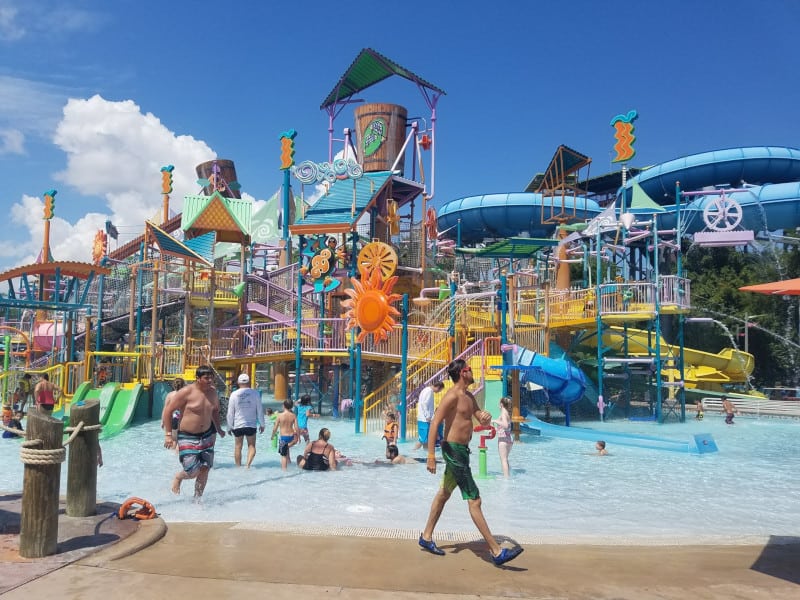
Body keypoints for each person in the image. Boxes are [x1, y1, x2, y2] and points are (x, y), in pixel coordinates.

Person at [420, 359, 524, 566]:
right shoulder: (452, 396)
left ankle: (426, 536)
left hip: (463, 451)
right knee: (474, 500)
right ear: (461, 374)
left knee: (444, 494)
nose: (471, 371)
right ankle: (496, 551)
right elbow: (435, 423)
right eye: (468, 369)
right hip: (454, 451)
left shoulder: (468, 396)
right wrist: (431, 455)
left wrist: (484, 417)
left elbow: (477, 415)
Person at [161, 365, 225, 498]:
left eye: (211, 378)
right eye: (206, 378)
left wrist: (218, 429)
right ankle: (179, 477)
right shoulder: (186, 392)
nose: (210, 381)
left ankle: (197, 500)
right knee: (193, 471)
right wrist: (168, 435)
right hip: (187, 436)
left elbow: (214, 411)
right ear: (197, 378)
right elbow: (168, 410)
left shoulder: (212, 392)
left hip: (206, 435)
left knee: (205, 468)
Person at [226, 373, 265, 468]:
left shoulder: (234, 394)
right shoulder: (255, 393)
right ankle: (247, 465)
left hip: (238, 425)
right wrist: (262, 424)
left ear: (238, 383)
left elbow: (230, 412)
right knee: (251, 446)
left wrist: (229, 426)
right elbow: (259, 409)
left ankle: (238, 468)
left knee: (238, 446)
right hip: (251, 424)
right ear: (249, 382)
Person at [414, 381, 445, 450]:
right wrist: (428, 416)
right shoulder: (429, 392)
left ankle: (425, 454)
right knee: (422, 439)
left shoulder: (426, 390)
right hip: (424, 419)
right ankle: (413, 452)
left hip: (423, 418)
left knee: (426, 440)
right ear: (438, 387)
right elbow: (424, 404)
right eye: (440, 390)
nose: (439, 392)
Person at [271, 399, 299, 470]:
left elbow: (275, 428)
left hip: (284, 437)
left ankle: (284, 471)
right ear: (292, 406)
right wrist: (298, 437)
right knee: (287, 450)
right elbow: (296, 427)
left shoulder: (280, 416)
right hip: (291, 436)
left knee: (283, 455)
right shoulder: (293, 415)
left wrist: (273, 435)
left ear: (283, 406)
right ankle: (289, 463)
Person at [493, 396, 513, 477]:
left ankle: (506, 479)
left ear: (501, 404)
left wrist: (494, 420)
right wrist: (495, 428)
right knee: (505, 459)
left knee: (503, 460)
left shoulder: (503, 413)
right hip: (509, 438)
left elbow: (505, 425)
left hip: (503, 440)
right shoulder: (507, 413)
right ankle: (508, 475)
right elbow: (505, 427)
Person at [163, 377, 186, 445]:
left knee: (173, 440)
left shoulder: (170, 395)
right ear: (183, 385)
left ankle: (171, 455)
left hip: (173, 418)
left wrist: (163, 421)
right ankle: (177, 454)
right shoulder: (185, 395)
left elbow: (165, 409)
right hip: (182, 419)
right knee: (181, 442)